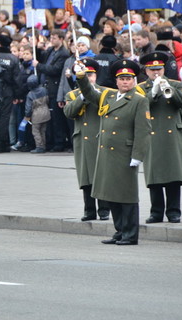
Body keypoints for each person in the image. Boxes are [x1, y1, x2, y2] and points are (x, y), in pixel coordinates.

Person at [76, 59, 152, 245]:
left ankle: (130, 234)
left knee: (126, 196)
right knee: (111, 195)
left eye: (129, 78)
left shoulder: (139, 100)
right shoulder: (108, 96)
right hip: (107, 154)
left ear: (134, 80)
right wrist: (80, 76)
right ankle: (119, 231)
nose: (125, 82)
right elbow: (88, 92)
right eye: (122, 78)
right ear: (116, 81)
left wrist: (137, 156)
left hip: (124, 153)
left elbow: (143, 130)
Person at [135, 52, 182, 224]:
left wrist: (169, 89)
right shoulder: (141, 88)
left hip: (172, 133)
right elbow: (140, 107)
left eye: (159, 69)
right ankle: (156, 212)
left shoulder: (175, 84)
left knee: (173, 174)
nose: (156, 73)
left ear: (164, 68)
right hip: (153, 133)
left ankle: (174, 211)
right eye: (152, 70)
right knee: (154, 174)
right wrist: (154, 92)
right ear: (146, 70)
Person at [63, 58, 111, 221]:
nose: (89, 77)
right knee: (86, 176)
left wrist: (93, 94)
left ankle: (104, 208)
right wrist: (82, 97)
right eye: (86, 74)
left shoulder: (105, 92)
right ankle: (89, 209)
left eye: (91, 74)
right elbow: (69, 112)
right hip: (82, 138)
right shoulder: (72, 94)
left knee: (101, 173)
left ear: (96, 76)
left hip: (99, 136)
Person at [33, 29, 71, 152]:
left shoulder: (63, 53)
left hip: (54, 87)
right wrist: (37, 49)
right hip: (46, 86)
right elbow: (42, 58)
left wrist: (38, 66)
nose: (52, 40)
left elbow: (54, 69)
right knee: (49, 117)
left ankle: (59, 142)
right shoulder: (50, 50)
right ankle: (50, 141)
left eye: (54, 38)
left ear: (61, 39)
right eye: (51, 37)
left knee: (57, 118)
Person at [24, 74, 50, 154]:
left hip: (36, 115)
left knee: (36, 131)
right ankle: (43, 146)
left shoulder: (30, 94)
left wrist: (27, 116)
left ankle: (39, 147)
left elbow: (28, 108)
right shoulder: (44, 90)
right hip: (46, 112)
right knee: (43, 130)